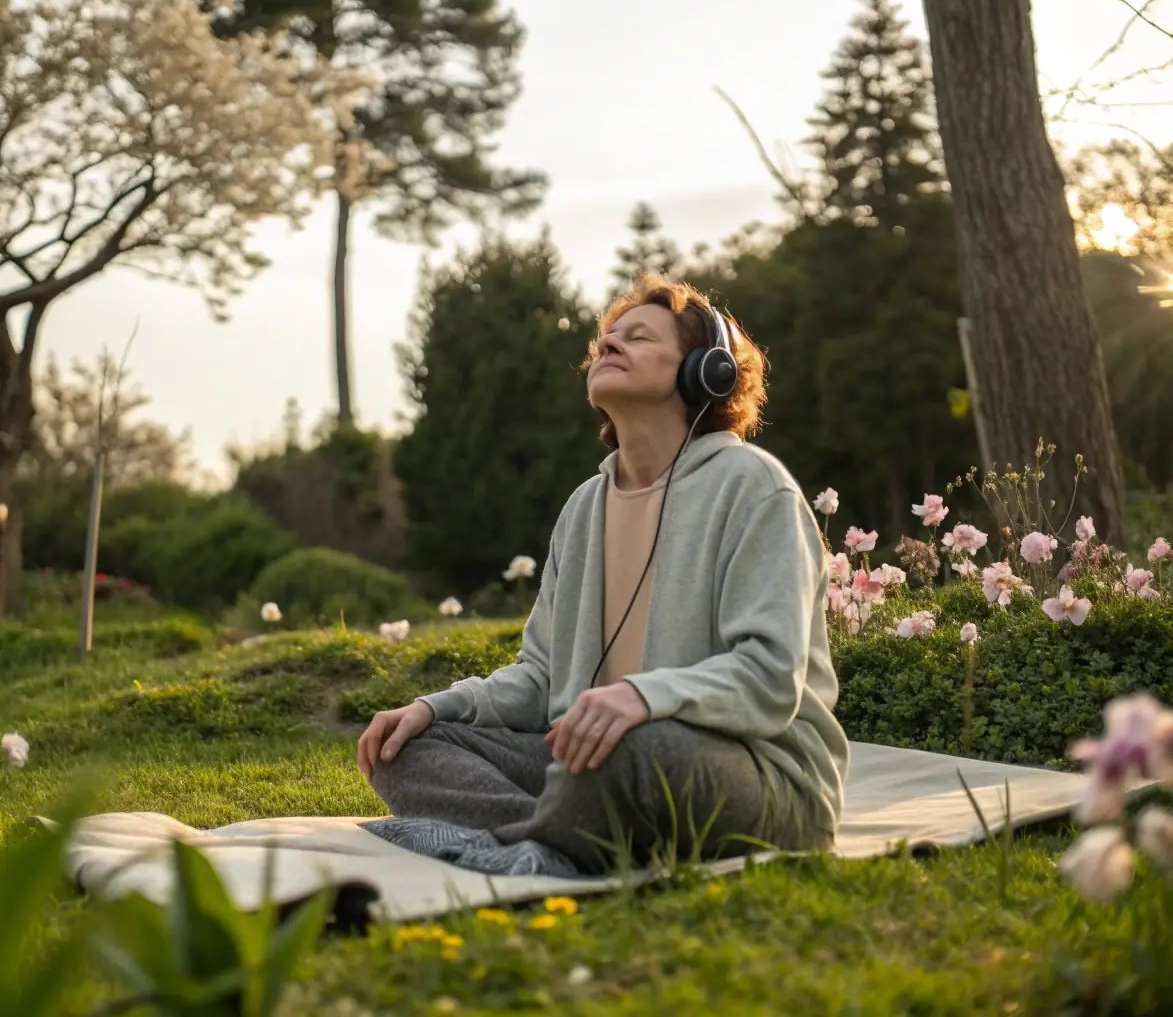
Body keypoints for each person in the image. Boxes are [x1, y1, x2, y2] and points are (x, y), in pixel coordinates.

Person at [358, 273, 849, 874]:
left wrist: (642, 698)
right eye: (607, 338)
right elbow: (540, 677)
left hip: (752, 773)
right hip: (594, 767)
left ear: (707, 371)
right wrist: (439, 707)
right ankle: (558, 840)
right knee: (404, 750)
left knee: (630, 752)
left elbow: (770, 678)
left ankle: (533, 840)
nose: (608, 345)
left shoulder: (754, 487)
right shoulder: (584, 507)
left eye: (638, 337)